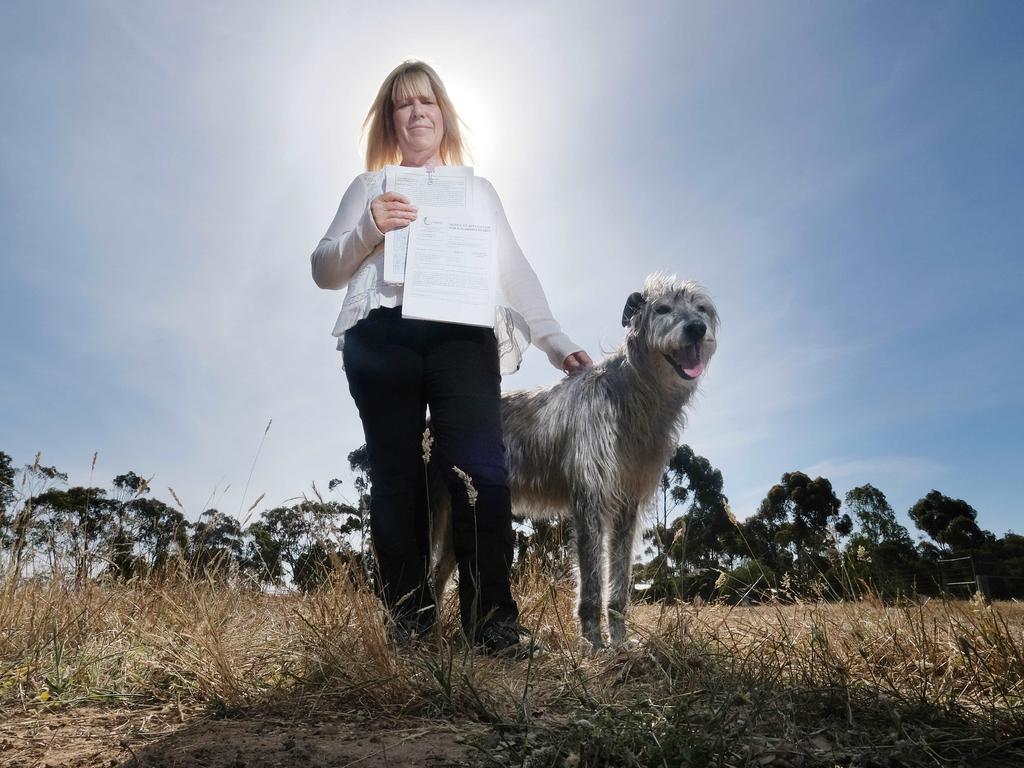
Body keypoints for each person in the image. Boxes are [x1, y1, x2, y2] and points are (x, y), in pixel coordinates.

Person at [310, 60, 592, 656]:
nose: (416, 113)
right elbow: (323, 269)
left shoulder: (477, 190)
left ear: (444, 115)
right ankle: (410, 625)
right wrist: (369, 228)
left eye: (427, 102)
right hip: (382, 339)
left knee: (479, 475)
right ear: (390, 119)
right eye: (403, 104)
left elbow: (515, 274)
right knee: (397, 478)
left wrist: (557, 343)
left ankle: (492, 625)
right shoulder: (369, 187)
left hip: (462, 338)